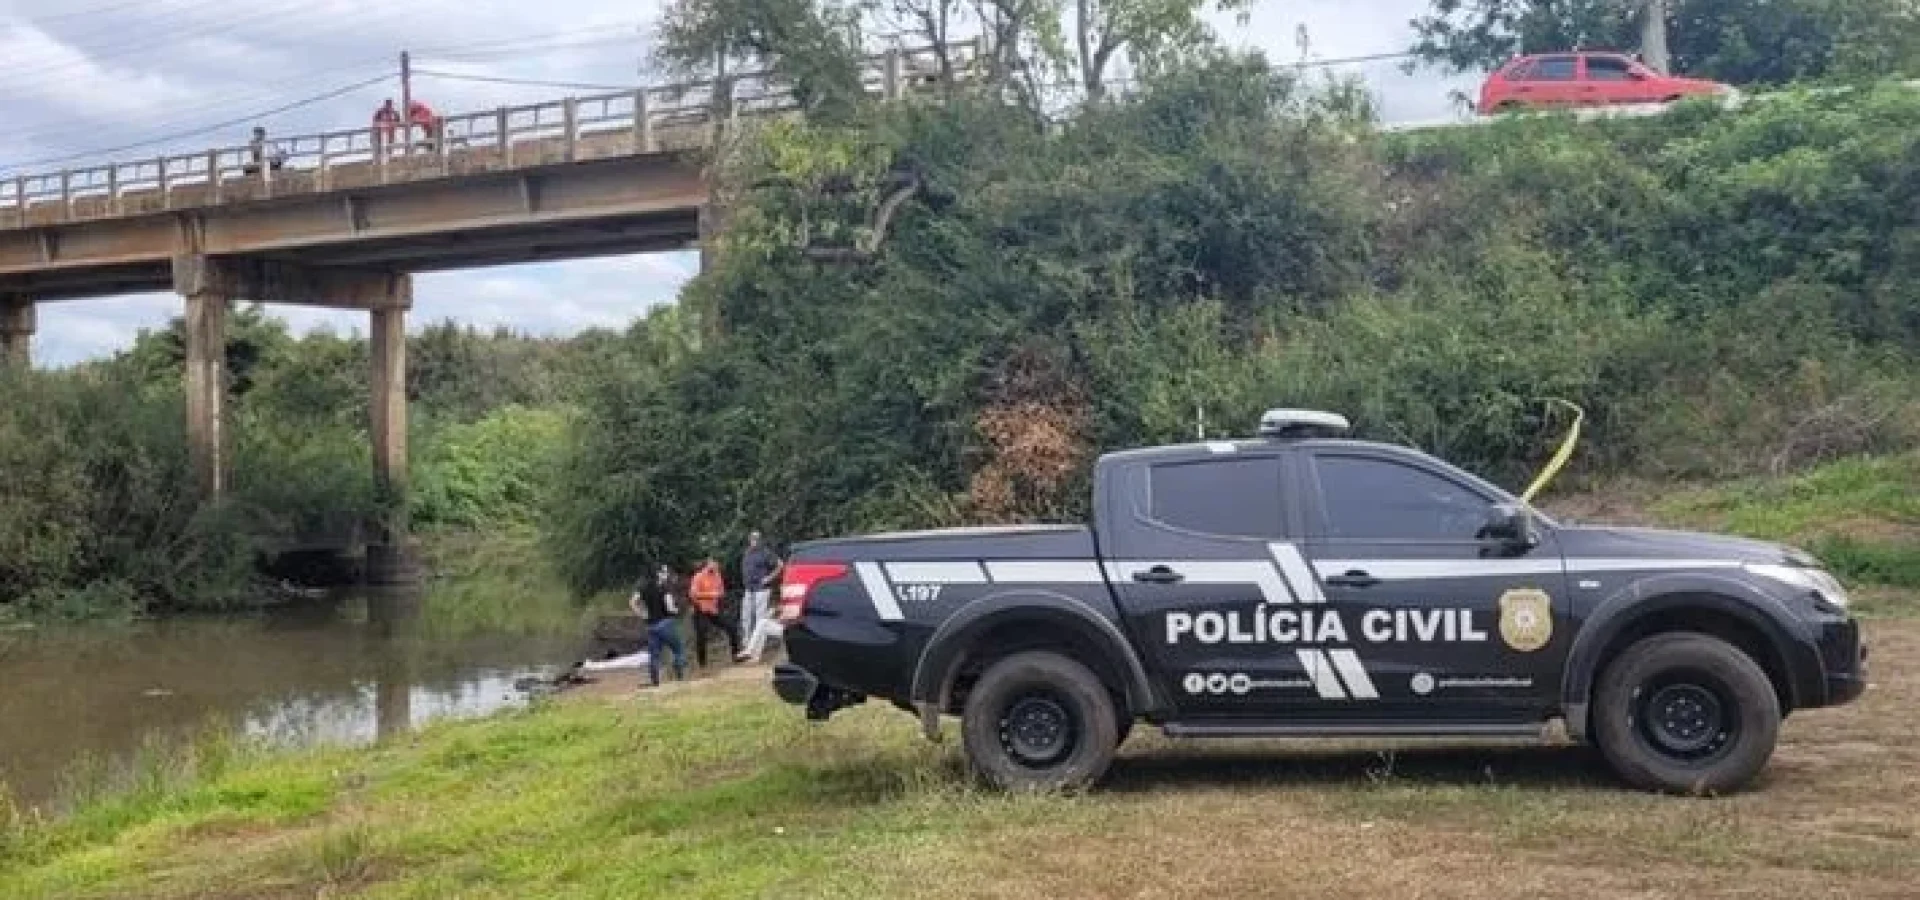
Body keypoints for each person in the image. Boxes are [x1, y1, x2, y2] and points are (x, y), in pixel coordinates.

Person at [631, 564, 686, 688]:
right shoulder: (664, 588)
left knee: (654, 655)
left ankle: (655, 682)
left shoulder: (643, 587)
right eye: (664, 572)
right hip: (665, 623)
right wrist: (676, 610)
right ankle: (680, 677)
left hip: (651, 625)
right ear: (658, 574)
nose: (666, 574)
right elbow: (669, 607)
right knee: (678, 649)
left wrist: (641, 614)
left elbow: (633, 602)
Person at [736, 531, 782, 661]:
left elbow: (780, 565)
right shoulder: (747, 552)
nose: (754, 541)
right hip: (749, 590)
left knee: (759, 620)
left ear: (761, 540)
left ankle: (756, 654)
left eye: (756, 539)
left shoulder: (766, 552)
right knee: (745, 619)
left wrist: (769, 578)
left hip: (761, 590)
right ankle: (748, 649)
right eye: (752, 538)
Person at [686, 557, 740, 668]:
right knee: (701, 635)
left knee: (731, 627)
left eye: (716, 564)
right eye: (713, 564)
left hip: (713, 609)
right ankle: (702, 664)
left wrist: (720, 594)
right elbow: (693, 594)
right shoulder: (699, 576)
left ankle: (736, 655)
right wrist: (710, 594)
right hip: (700, 609)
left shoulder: (717, 576)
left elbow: (721, 591)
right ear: (707, 564)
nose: (715, 566)